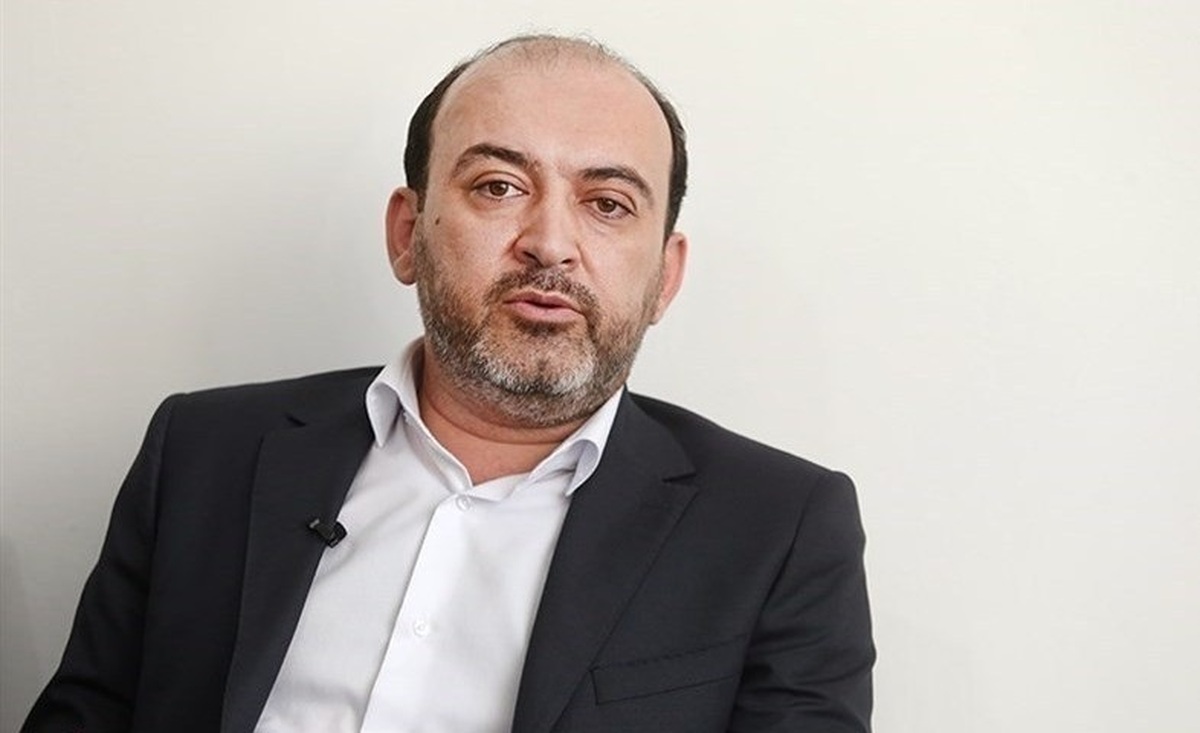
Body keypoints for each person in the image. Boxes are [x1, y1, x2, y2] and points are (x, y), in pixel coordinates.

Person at [23, 34, 874, 733]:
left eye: (608, 203)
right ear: (408, 233)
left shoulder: (779, 527)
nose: (550, 243)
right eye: (498, 186)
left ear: (665, 277)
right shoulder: (203, 453)